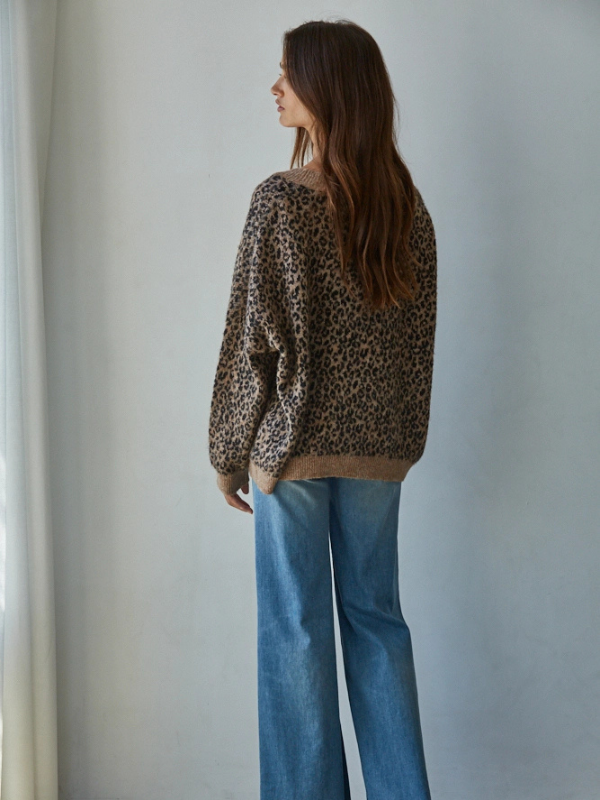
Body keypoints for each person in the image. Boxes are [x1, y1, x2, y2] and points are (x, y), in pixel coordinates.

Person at [208, 18, 437, 800]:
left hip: (295, 453)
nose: (275, 87)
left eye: (288, 74)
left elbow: (252, 340)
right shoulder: (407, 206)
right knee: (377, 626)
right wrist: (401, 441)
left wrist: (227, 450)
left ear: (327, 89)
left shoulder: (280, 200)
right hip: (378, 456)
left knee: (296, 636)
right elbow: (417, 343)